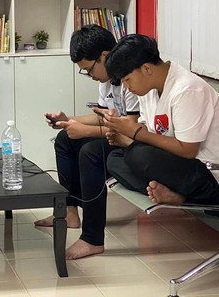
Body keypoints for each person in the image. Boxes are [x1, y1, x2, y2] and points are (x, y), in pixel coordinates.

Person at [34, 25, 140, 260]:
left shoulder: (131, 79)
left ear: (104, 56)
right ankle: (69, 211)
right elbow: (102, 118)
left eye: (89, 69)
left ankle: (92, 239)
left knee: (90, 151)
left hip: (133, 144)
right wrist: (69, 120)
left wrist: (85, 131)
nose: (89, 75)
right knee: (64, 138)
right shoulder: (106, 79)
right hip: (117, 136)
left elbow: (131, 130)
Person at [102, 34, 219, 208]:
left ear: (147, 69)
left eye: (127, 80)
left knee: (138, 156)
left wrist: (136, 133)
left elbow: (188, 150)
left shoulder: (187, 89)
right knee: (114, 159)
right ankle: (170, 193)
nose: (127, 87)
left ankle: (180, 196)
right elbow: (150, 130)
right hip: (180, 164)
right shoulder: (148, 88)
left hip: (213, 175)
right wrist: (125, 133)